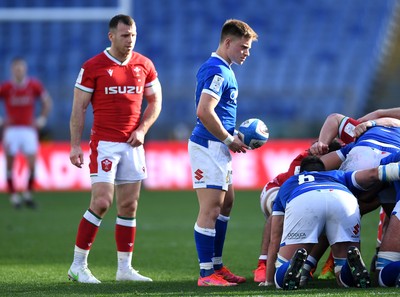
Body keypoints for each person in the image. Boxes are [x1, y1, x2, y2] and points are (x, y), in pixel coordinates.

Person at [67, 14, 162, 284]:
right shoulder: (93, 66)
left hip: (132, 144)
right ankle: (78, 265)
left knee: (129, 206)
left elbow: (156, 101)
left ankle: (124, 269)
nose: (130, 40)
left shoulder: (145, 64)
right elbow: (79, 108)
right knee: (101, 201)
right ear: (111, 36)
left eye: (132, 35)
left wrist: (142, 130)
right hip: (105, 144)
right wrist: (75, 145)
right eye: (124, 35)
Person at [188, 19, 258, 287]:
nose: (247, 53)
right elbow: (204, 111)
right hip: (208, 146)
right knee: (211, 207)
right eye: (243, 47)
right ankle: (206, 274)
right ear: (228, 42)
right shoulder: (217, 70)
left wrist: (233, 137)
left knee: (226, 202)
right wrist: (229, 139)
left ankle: (216, 266)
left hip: (218, 146)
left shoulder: (224, 69)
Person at [265, 155, 400, 290]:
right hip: (341, 197)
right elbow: (372, 174)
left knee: (281, 277)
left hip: (304, 199)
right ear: (324, 170)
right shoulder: (337, 175)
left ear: (300, 171)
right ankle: (348, 266)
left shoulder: (289, 183)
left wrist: (269, 280)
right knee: (344, 277)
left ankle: (291, 267)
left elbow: (275, 237)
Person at [0, 57, 52, 209]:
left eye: (21, 68)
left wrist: (42, 118)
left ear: (25, 69)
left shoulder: (34, 85)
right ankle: (14, 196)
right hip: (11, 130)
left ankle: (28, 194)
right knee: (10, 163)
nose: (19, 71)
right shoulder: (6, 87)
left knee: (32, 164)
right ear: (12, 70)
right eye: (16, 68)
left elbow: (47, 102)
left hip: (29, 130)